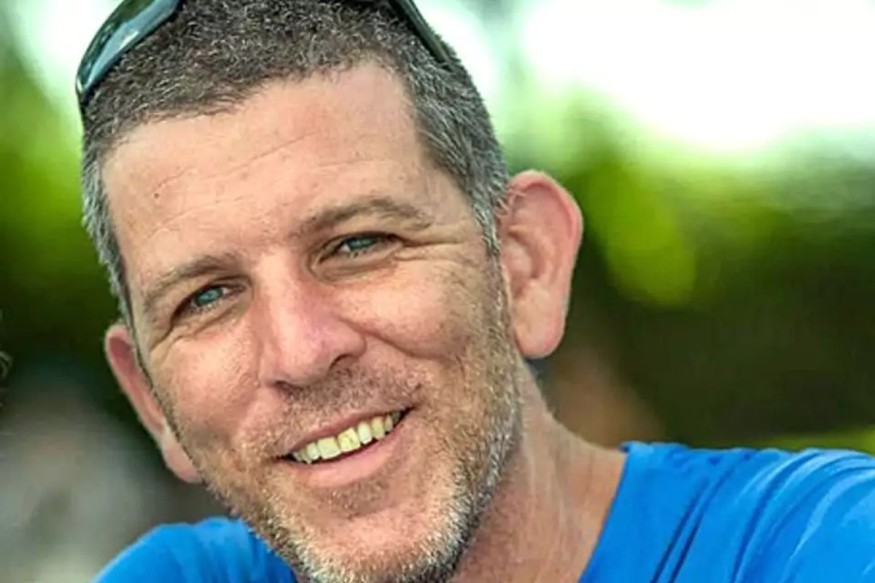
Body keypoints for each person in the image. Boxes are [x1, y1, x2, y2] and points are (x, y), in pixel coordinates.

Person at [75, 1, 875, 581]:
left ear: (523, 266)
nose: (301, 351)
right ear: (151, 399)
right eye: (206, 297)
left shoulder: (819, 546)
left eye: (358, 244)